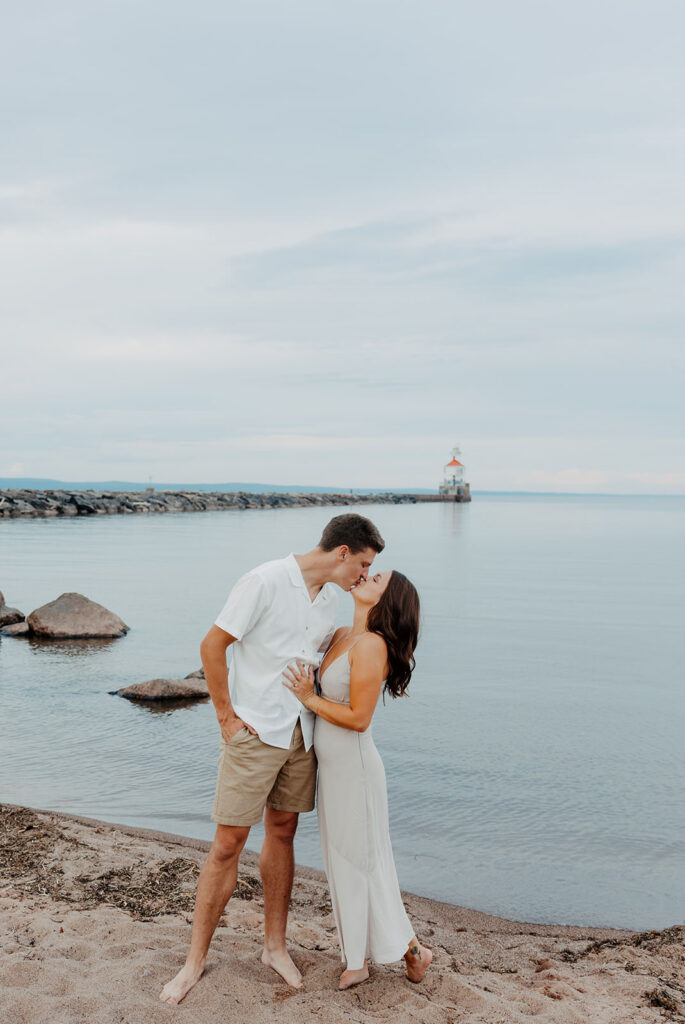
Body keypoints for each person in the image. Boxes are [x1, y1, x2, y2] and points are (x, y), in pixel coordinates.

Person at [160, 513, 385, 1005]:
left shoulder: (330, 600)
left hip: (301, 736)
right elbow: (213, 644)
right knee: (228, 844)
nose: (364, 575)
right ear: (342, 552)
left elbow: (330, 660)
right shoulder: (264, 581)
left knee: (283, 832)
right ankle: (193, 962)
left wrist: (368, 620)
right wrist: (226, 716)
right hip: (255, 731)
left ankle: (274, 947)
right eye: (364, 564)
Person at [282, 569, 432, 990]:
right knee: (343, 862)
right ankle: (381, 955)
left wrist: (309, 698)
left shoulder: (371, 646)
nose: (367, 575)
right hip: (332, 769)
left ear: (388, 599)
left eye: (377, 578)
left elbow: (359, 718)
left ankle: (382, 958)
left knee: (362, 865)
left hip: (356, 771)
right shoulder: (344, 634)